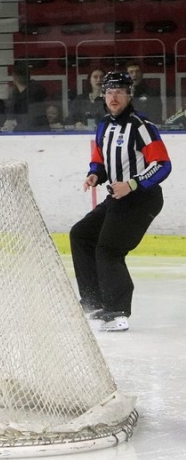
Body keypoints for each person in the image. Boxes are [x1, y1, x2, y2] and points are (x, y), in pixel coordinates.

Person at [70, 71, 171, 332]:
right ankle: (93, 302)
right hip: (117, 197)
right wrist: (94, 174)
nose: (114, 96)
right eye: (109, 91)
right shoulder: (104, 125)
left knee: (109, 250)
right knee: (81, 235)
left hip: (142, 199)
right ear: (103, 95)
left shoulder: (141, 126)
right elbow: (100, 160)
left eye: (119, 91)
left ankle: (117, 312)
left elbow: (162, 165)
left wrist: (133, 184)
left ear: (129, 95)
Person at [4, 61, 48, 132]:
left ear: (14, 79)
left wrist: (14, 129)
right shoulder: (18, 96)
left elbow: (30, 123)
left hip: (34, 135)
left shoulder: (32, 97)